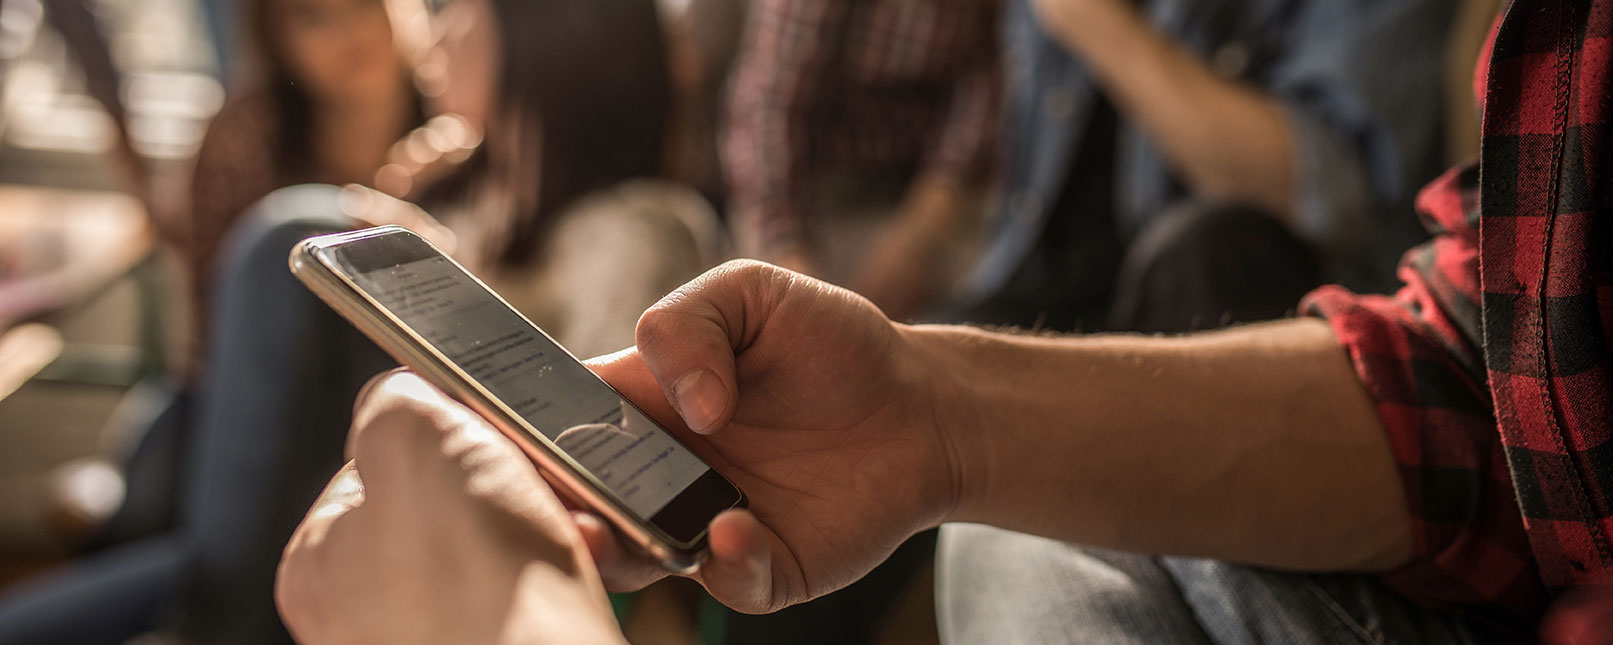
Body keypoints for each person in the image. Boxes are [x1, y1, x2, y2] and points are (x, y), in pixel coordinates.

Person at [277, 1, 1613, 642]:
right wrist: (933, 418)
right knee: (1007, 546)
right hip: (1060, 315)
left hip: (1199, 273)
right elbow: (1475, 384)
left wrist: (515, 624)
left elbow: (1322, 190)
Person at [0, 0, 718, 642]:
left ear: (542, 44)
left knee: (295, 226)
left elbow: (572, 417)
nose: (434, 31)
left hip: (438, 519)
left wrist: (441, 260)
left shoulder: (639, 228)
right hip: (333, 481)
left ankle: (215, 611)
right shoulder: (473, 187)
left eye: (461, 12)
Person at [957, 0, 1458, 335]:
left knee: (1200, 253)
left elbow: (1332, 195)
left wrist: (1102, 27)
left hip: (1254, 309)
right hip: (1056, 300)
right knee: (941, 347)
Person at [181, 0, 431, 366]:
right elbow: (215, 309)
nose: (348, 33)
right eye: (312, 17)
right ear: (275, 36)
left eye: (360, 5)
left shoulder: (462, 114)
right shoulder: (245, 133)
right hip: (286, 376)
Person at [724, 0, 1000, 321]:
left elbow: (979, 99)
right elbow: (766, 118)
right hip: (810, 195)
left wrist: (918, 237)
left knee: (976, 304)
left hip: (918, 193)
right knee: (785, 324)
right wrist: (790, 264)